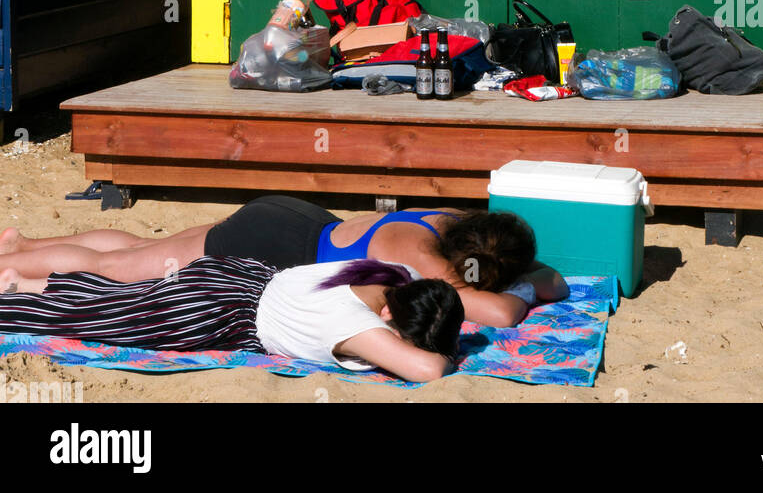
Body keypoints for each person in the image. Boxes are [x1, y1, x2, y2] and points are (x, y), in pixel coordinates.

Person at [0, 201, 567, 326]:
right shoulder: (426, 261)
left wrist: (530, 271)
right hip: (269, 247)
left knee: (140, 248)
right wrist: (526, 283)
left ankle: (22, 245)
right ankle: (16, 270)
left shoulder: (442, 222)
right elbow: (502, 313)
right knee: (129, 269)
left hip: (291, 217)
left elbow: (542, 273)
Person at [0, 255, 462, 383]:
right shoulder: (360, 327)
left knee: (116, 298)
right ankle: (13, 300)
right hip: (215, 313)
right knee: (95, 321)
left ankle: (21, 284)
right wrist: (436, 350)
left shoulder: (394, 275)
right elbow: (429, 370)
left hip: (236, 276)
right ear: (388, 318)